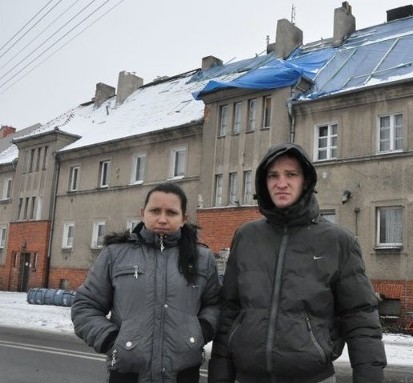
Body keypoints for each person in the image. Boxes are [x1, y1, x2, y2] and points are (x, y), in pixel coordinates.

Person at [208, 143, 386, 383]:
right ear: (263, 182)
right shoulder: (246, 236)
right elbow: (230, 311)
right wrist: (219, 377)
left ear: (305, 181)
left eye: (291, 174)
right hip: (248, 377)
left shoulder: (338, 241)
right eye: (273, 175)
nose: (281, 183)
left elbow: (360, 318)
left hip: (313, 378)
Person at [71, 182, 222, 383]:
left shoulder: (201, 258)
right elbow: (85, 306)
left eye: (171, 212)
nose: (162, 219)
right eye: (155, 211)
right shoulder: (115, 255)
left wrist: (200, 331)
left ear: (184, 218)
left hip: (183, 374)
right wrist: (112, 341)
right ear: (143, 213)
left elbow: (216, 304)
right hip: (127, 373)